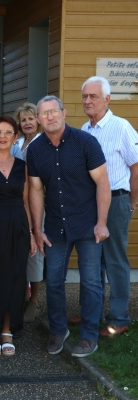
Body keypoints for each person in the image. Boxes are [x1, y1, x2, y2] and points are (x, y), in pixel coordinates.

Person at [27, 95, 110, 358]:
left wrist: (102, 222)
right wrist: (37, 229)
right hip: (54, 227)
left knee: (91, 282)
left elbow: (103, 183)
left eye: (54, 112)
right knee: (53, 282)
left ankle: (88, 336)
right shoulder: (36, 149)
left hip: (87, 224)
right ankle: (58, 330)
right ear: (38, 119)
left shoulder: (86, 142)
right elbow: (36, 191)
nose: (50, 117)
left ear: (63, 113)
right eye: (44, 114)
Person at [80, 76, 138, 337]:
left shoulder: (121, 127)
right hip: (90, 202)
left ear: (107, 99)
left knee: (114, 259)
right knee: (93, 261)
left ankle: (118, 318)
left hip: (116, 200)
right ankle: (91, 313)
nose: (88, 100)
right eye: (85, 96)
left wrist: (132, 201)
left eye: (93, 96)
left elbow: (136, 167)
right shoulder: (85, 129)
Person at [0, 116, 37, 356]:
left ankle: (7, 328)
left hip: (18, 226)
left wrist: (32, 233)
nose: (2, 136)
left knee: (15, 277)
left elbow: (25, 201)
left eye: (8, 132)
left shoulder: (23, 166)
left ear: (15, 137)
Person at [14, 102, 44, 322]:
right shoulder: (19, 144)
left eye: (30, 118)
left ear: (38, 120)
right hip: (20, 202)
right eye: (23, 119)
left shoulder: (42, 142)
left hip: (37, 201)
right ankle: (24, 295)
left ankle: (35, 301)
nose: (27, 123)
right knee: (23, 247)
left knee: (36, 250)